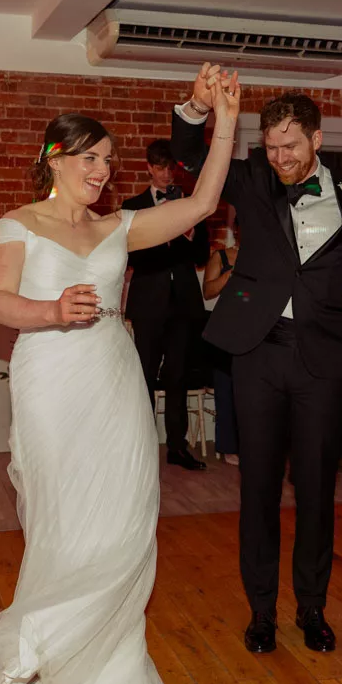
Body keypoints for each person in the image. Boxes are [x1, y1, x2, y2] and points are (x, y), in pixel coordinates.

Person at [0, 76, 241, 684]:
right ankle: (48, 659)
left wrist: (228, 121)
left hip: (115, 381)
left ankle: (108, 664)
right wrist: (53, 310)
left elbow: (205, 203)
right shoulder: (16, 224)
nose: (101, 172)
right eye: (89, 158)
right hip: (53, 383)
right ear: (54, 157)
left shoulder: (118, 227)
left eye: (107, 161)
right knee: (64, 522)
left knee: (126, 519)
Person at [170, 66, 342, 656]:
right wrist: (198, 109)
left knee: (318, 490)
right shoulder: (249, 180)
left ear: (317, 139)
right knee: (259, 490)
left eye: (291, 146)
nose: (280, 158)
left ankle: (313, 608)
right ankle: (262, 612)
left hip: (325, 360)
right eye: (271, 147)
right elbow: (190, 160)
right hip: (257, 354)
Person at [122, 139, 210, 470]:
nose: (165, 174)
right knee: (143, 374)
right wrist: (162, 227)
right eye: (159, 167)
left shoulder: (190, 204)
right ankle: (142, 448)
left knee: (178, 376)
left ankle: (177, 447)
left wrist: (187, 234)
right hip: (148, 302)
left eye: (170, 168)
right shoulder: (134, 206)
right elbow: (132, 255)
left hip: (184, 303)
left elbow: (201, 255)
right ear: (149, 167)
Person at [202, 232, 239, 466]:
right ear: (237, 229)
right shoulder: (221, 256)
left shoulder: (264, 254)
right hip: (226, 328)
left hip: (257, 327)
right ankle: (228, 446)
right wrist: (228, 277)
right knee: (226, 389)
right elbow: (207, 292)